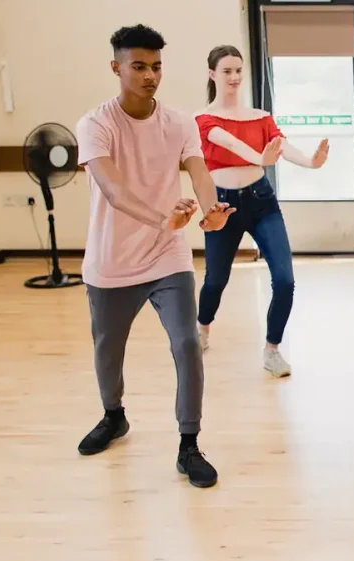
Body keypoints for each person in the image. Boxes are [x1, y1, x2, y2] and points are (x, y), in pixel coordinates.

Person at [74, 24, 235, 489]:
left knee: (187, 343)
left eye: (157, 66)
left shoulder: (179, 122)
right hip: (111, 261)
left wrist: (211, 211)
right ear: (117, 68)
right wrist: (162, 215)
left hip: (167, 257)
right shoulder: (96, 125)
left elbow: (199, 171)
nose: (150, 76)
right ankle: (114, 416)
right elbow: (114, 190)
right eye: (139, 66)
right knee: (108, 351)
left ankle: (189, 445)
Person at [193, 44, 329, 378]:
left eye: (239, 70)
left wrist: (311, 162)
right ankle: (202, 329)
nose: (235, 77)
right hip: (222, 205)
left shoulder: (260, 117)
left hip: (261, 201)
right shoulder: (203, 119)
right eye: (227, 71)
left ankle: (272, 350)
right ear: (213, 74)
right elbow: (227, 142)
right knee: (216, 280)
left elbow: (280, 145)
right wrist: (259, 157)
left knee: (285, 280)